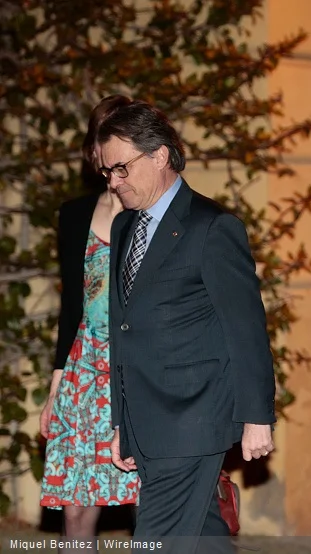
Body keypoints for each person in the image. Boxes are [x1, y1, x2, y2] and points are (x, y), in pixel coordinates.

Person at [93, 100, 276, 544]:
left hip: (194, 419)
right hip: (146, 419)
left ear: (159, 156)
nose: (114, 183)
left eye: (121, 169)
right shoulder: (123, 229)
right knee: (204, 538)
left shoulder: (212, 228)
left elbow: (246, 330)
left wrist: (257, 416)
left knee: (157, 540)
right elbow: (123, 326)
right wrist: (122, 420)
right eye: (107, 173)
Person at [40, 95, 140, 544]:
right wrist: (56, 387)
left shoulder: (153, 212)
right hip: (85, 372)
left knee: (150, 503)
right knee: (76, 507)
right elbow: (71, 309)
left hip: (140, 368)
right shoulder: (75, 214)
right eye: (102, 138)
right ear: (93, 148)